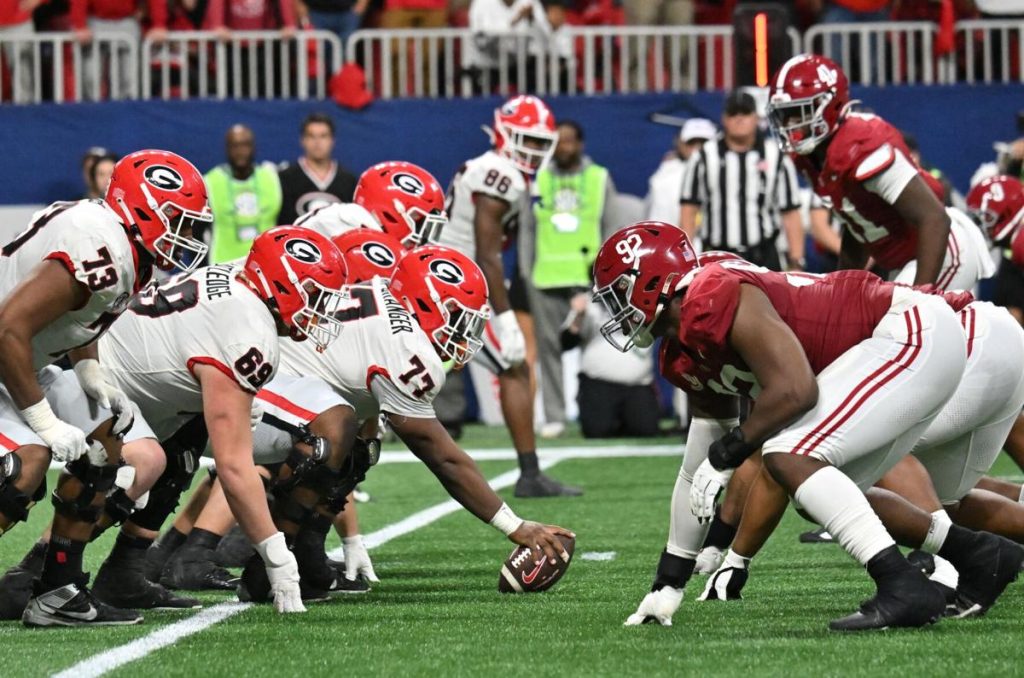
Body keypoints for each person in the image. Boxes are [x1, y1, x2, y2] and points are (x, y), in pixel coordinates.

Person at [595, 222, 1020, 631]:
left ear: (652, 281)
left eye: (618, 296)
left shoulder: (711, 294)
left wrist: (730, 453)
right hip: (918, 338)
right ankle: (979, 555)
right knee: (815, 486)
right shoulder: (686, 349)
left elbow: (796, 391)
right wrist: (668, 583)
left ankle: (901, 583)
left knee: (788, 454)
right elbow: (693, 473)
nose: (617, 312)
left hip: (913, 328)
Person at [144, 244, 576, 601]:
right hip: (244, 386)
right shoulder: (409, 348)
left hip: (268, 382)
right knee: (334, 433)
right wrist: (514, 525)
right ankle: (269, 558)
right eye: (458, 319)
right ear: (425, 304)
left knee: (357, 444)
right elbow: (443, 457)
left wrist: (350, 535)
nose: (463, 336)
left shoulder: (383, 310)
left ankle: (304, 548)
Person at [0, 149, 212, 626]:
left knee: (107, 443)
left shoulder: (118, 240)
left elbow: (74, 320)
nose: (188, 234)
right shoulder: (101, 247)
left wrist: (89, 369)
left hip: (26, 360)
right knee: (21, 469)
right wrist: (43, 422)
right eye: (179, 219)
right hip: (7, 355)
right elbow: (8, 329)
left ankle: (57, 593)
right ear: (142, 209)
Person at [441, 95, 580, 497]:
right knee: (514, 364)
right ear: (504, 134)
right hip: (452, 285)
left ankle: (530, 474)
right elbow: (487, 252)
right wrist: (503, 317)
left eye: (539, 142)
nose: (533, 151)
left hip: (451, 278)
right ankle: (530, 474)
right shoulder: (500, 171)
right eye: (526, 140)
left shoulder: (500, 170)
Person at [768, 53, 994, 291]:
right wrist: (840, 288)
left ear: (830, 104)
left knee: (900, 324)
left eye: (798, 113)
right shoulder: (811, 157)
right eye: (784, 115)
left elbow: (934, 218)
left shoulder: (863, 146)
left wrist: (921, 299)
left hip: (942, 249)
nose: (789, 124)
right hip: (908, 258)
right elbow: (858, 224)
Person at [525, 119, 619, 437]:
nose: (563, 147)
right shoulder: (537, 178)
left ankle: (598, 409)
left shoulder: (598, 177)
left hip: (588, 277)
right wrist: (526, 271)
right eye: (558, 141)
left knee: (600, 344)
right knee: (549, 349)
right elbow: (527, 227)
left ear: (580, 144)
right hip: (546, 277)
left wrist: (606, 274)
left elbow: (611, 226)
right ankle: (555, 415)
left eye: (569, 141)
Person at [680, 90, 805, 270]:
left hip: (763, 255)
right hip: (717, 256)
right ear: (724, 119)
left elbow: (790, 212)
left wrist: (796, 261)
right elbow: (688, 210)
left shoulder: (775, 157)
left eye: (745, 112)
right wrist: (687, 260)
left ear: (756, 118)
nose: (739, 118)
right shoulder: (703, 157)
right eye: (733, 113)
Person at [560, 292, 659, 438]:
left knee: (646, 430)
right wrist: (578, 315)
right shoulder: (588, 302)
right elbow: (566, 342)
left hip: (639, 385)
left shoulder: (650, 300)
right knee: (597, 430)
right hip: (599, 384)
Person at [204, 125, 283, 264]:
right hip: (222, 267)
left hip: (266, 267)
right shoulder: (210, 181)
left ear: (253, 147)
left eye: (245, 145)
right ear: (227, 149)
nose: (240, 151)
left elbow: (285, 225)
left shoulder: (272, 178)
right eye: (235, 146)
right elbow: (197, 233)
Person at [71, 0, 168, 101]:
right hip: (94, 21)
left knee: (129, 79)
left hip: (127, 22)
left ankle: (126, 110)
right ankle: (91, 111)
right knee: (90, 77)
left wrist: (159, 25)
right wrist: (79, 25)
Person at [278, 113, 358, 226]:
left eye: (323, 136)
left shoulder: (348, 181)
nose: (317, 142)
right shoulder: (285, 179)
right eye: (311, 136)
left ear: (332, 140)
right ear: (302, 140)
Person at [644, 118, 715, 227]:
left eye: (704, 143)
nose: (698, 148)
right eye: (691, 143)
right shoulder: (665, 179)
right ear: (680, 143)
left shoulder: (727, 170)